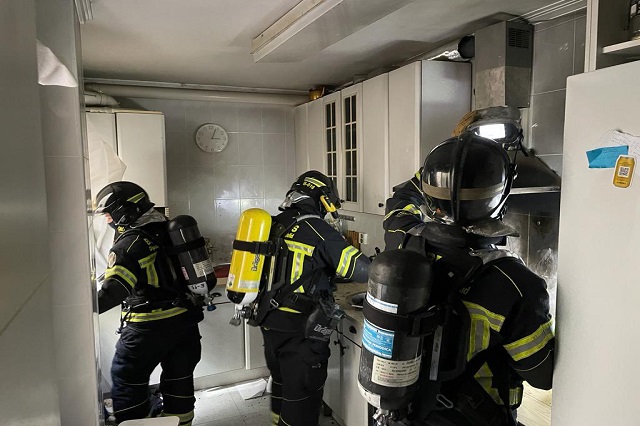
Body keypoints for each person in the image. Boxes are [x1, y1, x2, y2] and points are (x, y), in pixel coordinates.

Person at [383, 131, 555, 426]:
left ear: (429, 193)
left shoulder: (402, 240)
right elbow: (543, 375)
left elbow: (399, 202)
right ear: (501, 195)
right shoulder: (516, 283)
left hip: (405, 413)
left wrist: (447, 165)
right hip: (472, 418)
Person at [259, 170, 371, 426]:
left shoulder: (275, 223)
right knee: (302, 396)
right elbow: (361, 270)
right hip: (300, 327)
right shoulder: (316, 229)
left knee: (282, 384)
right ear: (323, 199)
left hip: (270, 319)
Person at [95, 181, 204, 426]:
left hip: (148, 328)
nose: (108, 220)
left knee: (127, 381)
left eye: (109, 214)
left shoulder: (129, 245)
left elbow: (113, 292)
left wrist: (80, 309)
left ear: (125, 210)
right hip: (185, 324)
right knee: (179, 381)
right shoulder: (171, 230)